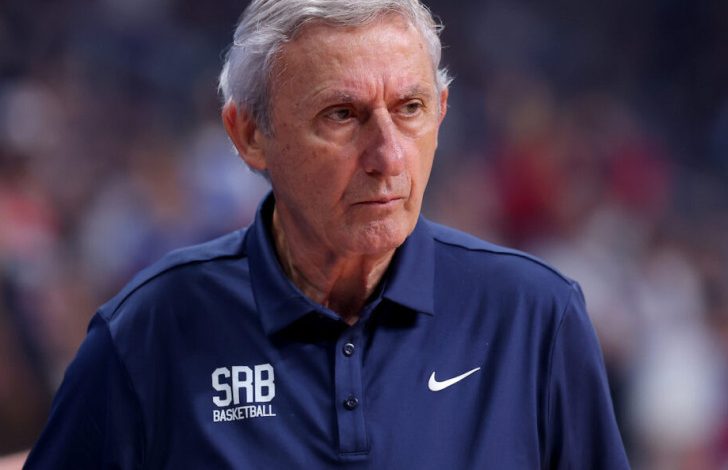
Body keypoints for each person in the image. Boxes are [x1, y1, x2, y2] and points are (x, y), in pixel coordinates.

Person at [26, 0, 630, 468]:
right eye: (342, 115)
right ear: (249, 135)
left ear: (443, 112)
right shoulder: (144, 333)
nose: (388, 156)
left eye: (411, 108)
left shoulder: (536, 317)